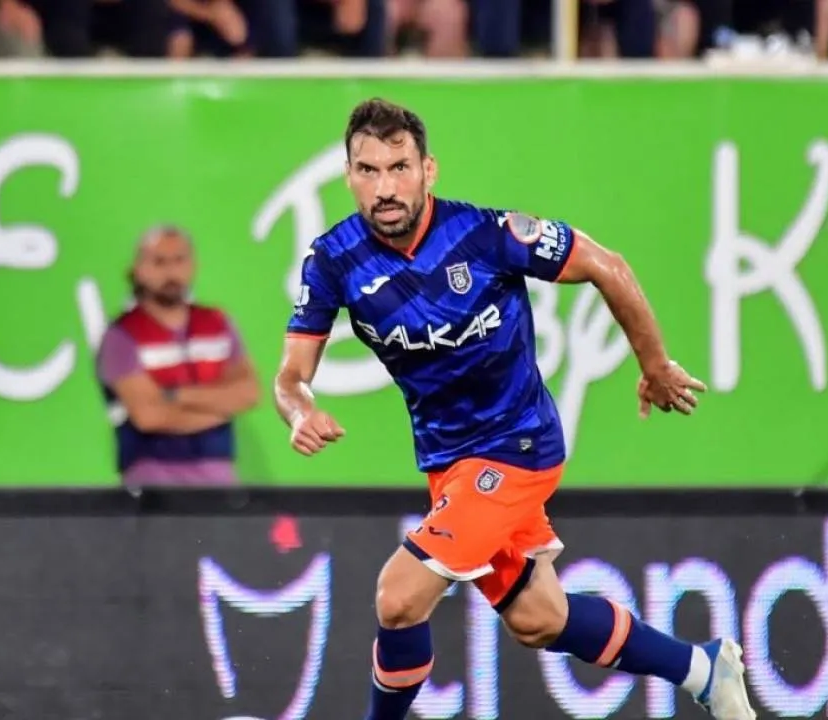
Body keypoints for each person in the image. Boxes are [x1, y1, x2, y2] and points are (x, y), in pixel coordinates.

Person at [273, 99, 757, 720]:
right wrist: (299, 411)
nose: (385, 188)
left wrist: (655, 364)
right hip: (449, 464)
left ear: (428, 170)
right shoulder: (333, 260)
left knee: (398, 597)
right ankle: (702, 669)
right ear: (348, 176)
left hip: (518, 446)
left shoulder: (486, 235)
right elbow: (291, 376)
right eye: (368, 171)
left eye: (399, 168)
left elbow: (606, 266)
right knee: (539, 619)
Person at [96, 225, 259, 487]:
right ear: (139, 269)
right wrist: (219, 409)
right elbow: (148, 416)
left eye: (179, 260)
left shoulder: (217, 324)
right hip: (152, 485)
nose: (171, 272)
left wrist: (175, 396)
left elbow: (249, 392)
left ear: (193, 265)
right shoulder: (122, 336)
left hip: (219, 482)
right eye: (159, 262)